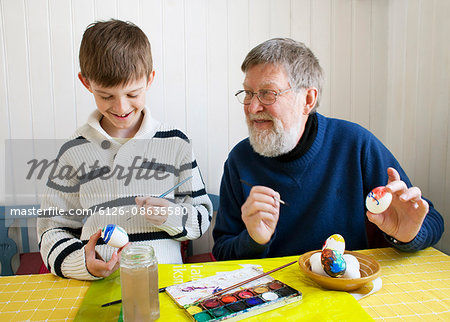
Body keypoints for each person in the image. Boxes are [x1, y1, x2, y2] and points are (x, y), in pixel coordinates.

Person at [212, 38, 444, 260]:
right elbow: (222, 250)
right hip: (274, 293)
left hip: (347, 290)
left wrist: (407, 236)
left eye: (268, 93)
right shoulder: (240, 160)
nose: (252, 107)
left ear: (308, 99)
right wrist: (254, 240)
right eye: (248, 93)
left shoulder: (355, 144)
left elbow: (431, 220)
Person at [37, 19, 212, 280]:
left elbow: (201, 217)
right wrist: (83, 264)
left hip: (165, 281)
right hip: (97, 284)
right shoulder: (73, 151)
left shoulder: (175, 142)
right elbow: (52, 229)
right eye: (106, 96)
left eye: (133, 94)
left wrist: (169, 215)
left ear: (150, 78)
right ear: (86, 83)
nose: (121, 108)